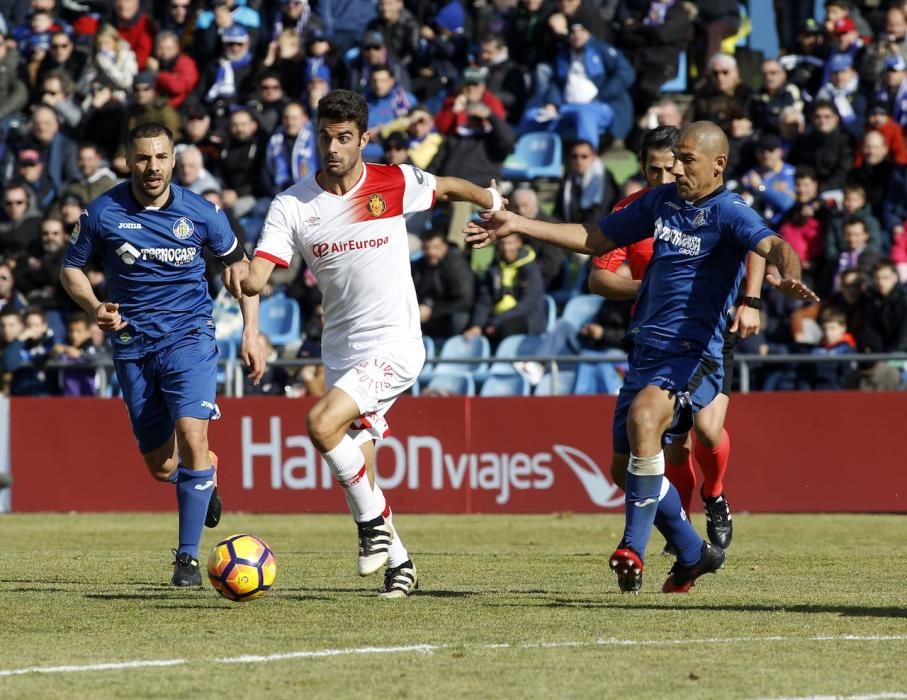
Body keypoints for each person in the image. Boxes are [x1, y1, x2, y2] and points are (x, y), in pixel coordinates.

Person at [465, 121, 818, 593]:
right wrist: (520, 224)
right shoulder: (660, 202)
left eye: (687, 160)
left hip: (694, 353)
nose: (677, 169)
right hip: (647, 348)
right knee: (622, 468)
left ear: (718, 165)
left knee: (646, 417)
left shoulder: (730, 211)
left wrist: (787, 275)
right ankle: (694, 553)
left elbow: (774, 245)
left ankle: (633, 547)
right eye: (675, 160)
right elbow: (596, 239)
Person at [222, 89, 509, 599]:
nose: (333, 148)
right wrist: (246, 289)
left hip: (396, 343)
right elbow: (261, 273)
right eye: (325, 137)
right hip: (342, 350)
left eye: (344, 138)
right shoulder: (292, 204)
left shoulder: (393, 181)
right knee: (358, 458)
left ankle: (373, 526)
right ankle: (399, 561)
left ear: (364, 139)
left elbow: (448, 187)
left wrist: (493, 202)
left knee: (319, 423)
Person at [60, 121, 266, 587]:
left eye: (160, 157)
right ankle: (203, 480)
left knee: (193, 433)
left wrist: (252, 334)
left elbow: (243, 271)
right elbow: (70, 270)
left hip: (189, 338)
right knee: (163, 467)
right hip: (133, 346)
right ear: (129, 161)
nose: (152, 167)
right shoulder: (101, 212)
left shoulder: (203, 214)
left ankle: (187, 559)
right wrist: (96, 307)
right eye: (142, 158)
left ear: (174, 160)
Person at [589, 125, 765, 555]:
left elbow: (757, 244)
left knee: (705, 431)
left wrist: (751, 300)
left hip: (709, 328)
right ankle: (683, 533)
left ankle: (714, 495)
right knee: (648, 454)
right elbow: (599, 277)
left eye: (675, 167)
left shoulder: (716, 205)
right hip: (652, 334)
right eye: (655, 170)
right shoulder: (636, 209)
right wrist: (647, 288)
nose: (666, 178)